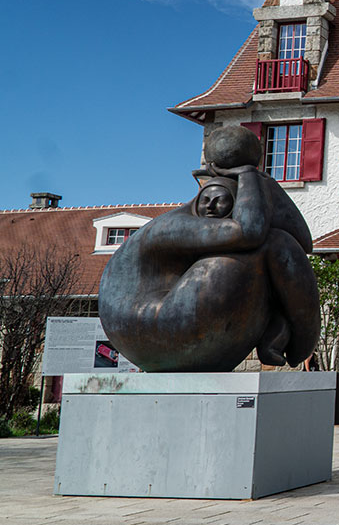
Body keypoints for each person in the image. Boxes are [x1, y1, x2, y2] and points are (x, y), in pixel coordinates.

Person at [98, 128, 320, 372]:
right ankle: (298, 339)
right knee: (275, 243)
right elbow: (250, 231)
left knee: (274, 246)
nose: (212, 206)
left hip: (177, 324)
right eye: (207, 199)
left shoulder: (227, 227)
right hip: (148, 327)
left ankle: (284, 333)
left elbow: (303, 240)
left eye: (223, 200)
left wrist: (261, 184)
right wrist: (248, 173)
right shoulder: (171, 226)